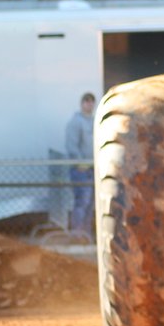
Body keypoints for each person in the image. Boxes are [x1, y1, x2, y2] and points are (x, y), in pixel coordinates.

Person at [65, 93, 96, 235]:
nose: (89, 105)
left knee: (90, 205)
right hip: (81, 171)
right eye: (86, 102)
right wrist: (79, 163)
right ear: (82, 103)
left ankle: (86, 234)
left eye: (91, 102)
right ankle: (77, 234)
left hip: (93, 169)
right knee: (81, 203)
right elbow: (71, 145)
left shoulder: (95, 121)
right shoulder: (76, 122)